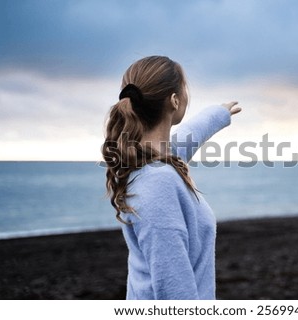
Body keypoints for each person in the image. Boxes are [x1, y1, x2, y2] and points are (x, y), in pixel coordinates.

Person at [102, 56, 241, 299]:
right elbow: (174, 291)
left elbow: (188, 135)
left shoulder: (153, 158)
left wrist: (218, 114)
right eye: (184, 90)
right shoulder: (157, 183)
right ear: (175, 100)